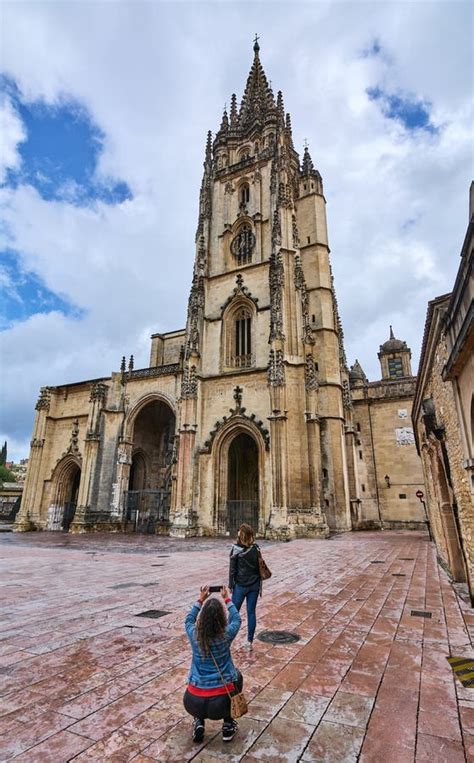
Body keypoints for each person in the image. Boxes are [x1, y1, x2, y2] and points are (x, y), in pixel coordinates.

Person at [183, 585, 242, 744]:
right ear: (221, 618)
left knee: (196, 680)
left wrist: (201, 599)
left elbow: (188, 619)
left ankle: (199, 722)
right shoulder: (226, 634)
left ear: (202, 618)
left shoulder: (194, 635)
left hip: (192, 702)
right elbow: (237, 619)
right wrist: (227, 598)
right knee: (237, 676)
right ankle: (228, 725)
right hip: (221, 703)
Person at [229, 523, 261, 651]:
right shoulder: (256, 548)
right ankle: (249, 642)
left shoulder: (235, 549)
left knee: (233, 613)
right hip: (254, 585)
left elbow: (232, 570)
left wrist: (231, 585)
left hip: (240, 586)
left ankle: (226, 640)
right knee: (251, 612)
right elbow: (259, 566)